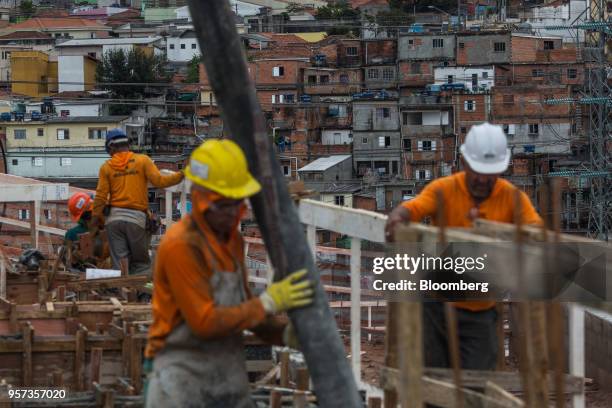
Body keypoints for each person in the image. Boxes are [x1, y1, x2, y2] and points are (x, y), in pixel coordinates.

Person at [145, 139, 313, 407]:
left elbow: (246, 313)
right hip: (182, 382)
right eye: (223, 205)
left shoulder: (233, 242)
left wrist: (287, 334)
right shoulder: (181, 246)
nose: (232, 213)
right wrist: (268, 302)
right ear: (200, 199)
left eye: (237, 203)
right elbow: (205, 323)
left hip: (227, 378)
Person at [385, 122, 543, 370]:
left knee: (475, 387)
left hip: (480, 309)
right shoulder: (445, 189)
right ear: (465, 162)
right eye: (477, 170)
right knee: (433, 380)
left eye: (489, 173)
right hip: (435, 305)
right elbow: (414, 208)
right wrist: (399, 216)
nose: (482, 178)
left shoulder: (512, 198)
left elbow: (536, 233)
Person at [91, 128, 184, 276]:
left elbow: (101, 197)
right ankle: (141, 295)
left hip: (114, 221)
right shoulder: (142, 160)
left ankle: (121, 293)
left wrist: (95, 221)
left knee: (120, 265)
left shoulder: (106, 167)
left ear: (111, 148)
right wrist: (182, 175)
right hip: (136, 220)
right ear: (128, 144)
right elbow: (160, 181)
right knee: (140, 265)